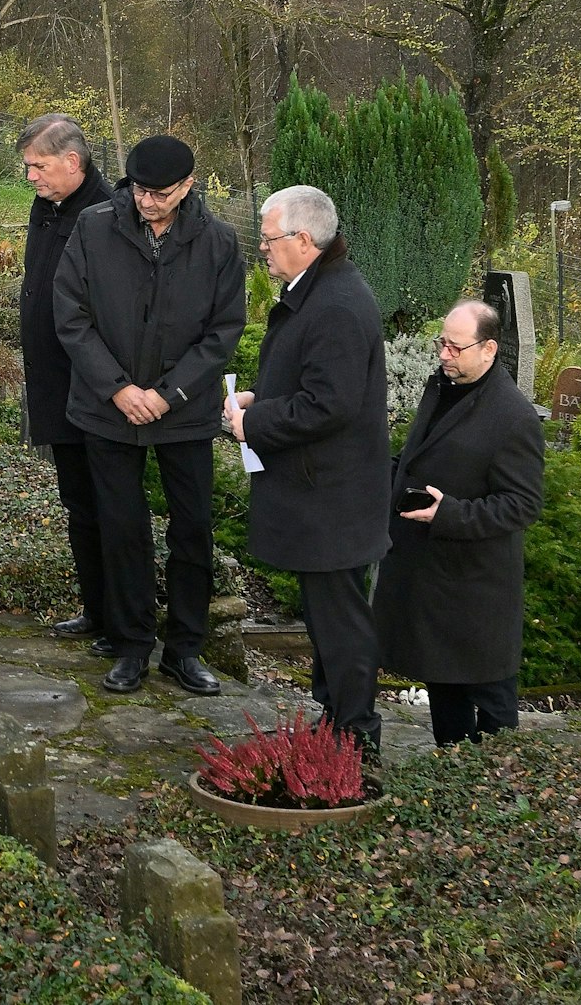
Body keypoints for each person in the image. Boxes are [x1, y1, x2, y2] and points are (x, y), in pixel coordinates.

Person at [54, 134, 246, 695]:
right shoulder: (92, 228)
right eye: (139, 189)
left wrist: (168, 394)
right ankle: (131, 644)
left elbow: (223, 332)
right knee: (121, 529)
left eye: (160, 193)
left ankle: (185, 649)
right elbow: (70, 316)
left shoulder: (218, 243)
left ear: (188, 186)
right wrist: (117, 389)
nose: (146, 201)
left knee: (193, 530)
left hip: (183, 413)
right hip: (106, 409)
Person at [225, 185, 390, 749]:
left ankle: (354, 733)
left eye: (268, 240)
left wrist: (256, 424)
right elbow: (312, 381)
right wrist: (258, 399)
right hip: (323, 493)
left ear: (303, 239)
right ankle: (336, 719)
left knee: (339, 619)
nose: (263, 251)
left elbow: (330, 404)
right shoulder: (320, 290)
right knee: (325, 616)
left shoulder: (337, 304)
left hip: (333, 499)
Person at [374, 301, 545, 746]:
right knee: (443, 685)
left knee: (492, 702)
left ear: (488, 349)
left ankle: (498, 794)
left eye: (455, 346)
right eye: (441, 343)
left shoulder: (513, 417)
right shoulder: (442, 386)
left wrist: (448, 513)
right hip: (432, 577)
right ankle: (452, 774)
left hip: (477, 587)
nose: (444, 354)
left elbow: (522, 505)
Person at [14, 114, 113, 644]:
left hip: (92, 387)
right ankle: (95, 609)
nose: (30, 175)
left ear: (72, 162)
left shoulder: (104, 213)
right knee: (78, 504)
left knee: (106, 506)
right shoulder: (48, 205)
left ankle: (119, 617)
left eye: (39, 165)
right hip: (53, 382)